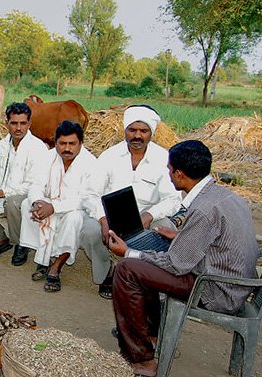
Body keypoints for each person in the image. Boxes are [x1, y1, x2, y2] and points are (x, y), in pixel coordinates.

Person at [107, 140, 259, 377]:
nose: (168, 173)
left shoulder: (203, 209)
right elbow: (216, 240)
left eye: (169, 169)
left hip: (215, 290)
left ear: (179, 174)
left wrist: (127, 252)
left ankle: (143, 360)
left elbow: (175, 265)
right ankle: (150, 335)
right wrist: (181, 236)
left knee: (127, 269)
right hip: (233, 282)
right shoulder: (223, 196)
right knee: (144, 265)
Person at [81, 104, 181, 300]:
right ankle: (107, 273)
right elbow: (90, 193)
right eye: (132, 130)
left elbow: (173, 199)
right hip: (110, 216)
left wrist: (149, 215)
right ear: (124, 130)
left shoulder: (164, 158)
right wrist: (102, 219)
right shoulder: (109, 156)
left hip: (148, 216)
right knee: (89, 230)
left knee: (165, 228)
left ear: (151, 133)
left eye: (143, 131)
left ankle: (146, 277)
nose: (137, 136)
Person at [19, 121, 100, 292]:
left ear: (81, 143)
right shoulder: (47, 157)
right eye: (62, 143)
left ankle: (56, 267)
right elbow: (35, 185)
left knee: (74, 219)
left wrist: (53, 207)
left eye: (72, 144)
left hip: (76, 210)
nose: (67, 148)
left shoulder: (91, 163)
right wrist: (37, 202)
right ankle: (43, 260)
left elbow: (85, 199)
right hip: (48, 205)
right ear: (55, 143)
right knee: (27, 204)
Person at [0, 102, 49, 265]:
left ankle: (21, 243)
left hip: (27, 195)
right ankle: (0, 240)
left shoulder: (38, 148)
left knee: (12, 202)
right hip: (4, 190)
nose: (18, 128)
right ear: (6, 123)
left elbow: (34, 184)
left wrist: (1, 193)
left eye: (23, 123)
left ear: (29, 124)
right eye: (14, 123)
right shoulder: (2, 145)